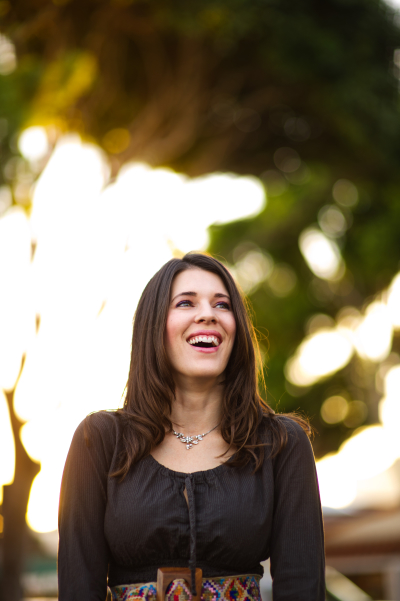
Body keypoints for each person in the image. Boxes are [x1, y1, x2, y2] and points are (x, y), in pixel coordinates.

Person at [58, 252, 325, 601]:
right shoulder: (99, 440)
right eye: (185, 303)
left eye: (222, 305)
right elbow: (79, 589)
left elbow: (302, 588)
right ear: (153, 326)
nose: (207, 315)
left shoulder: (282, 444)